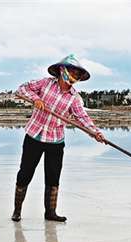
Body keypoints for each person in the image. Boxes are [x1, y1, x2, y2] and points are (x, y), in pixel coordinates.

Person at [12, 54, 106, 223]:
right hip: (34, 135)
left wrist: (95, 132)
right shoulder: (45, 84)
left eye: (77, 75)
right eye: (73, 73)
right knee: (25, 174)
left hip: (55, 141)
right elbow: (21, 89)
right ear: (62, 70)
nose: (74, 77)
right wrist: (36, 99)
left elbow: (82, 118)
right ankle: (17, 211)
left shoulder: (73, 98)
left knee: (53, 177)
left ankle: (50, 213)